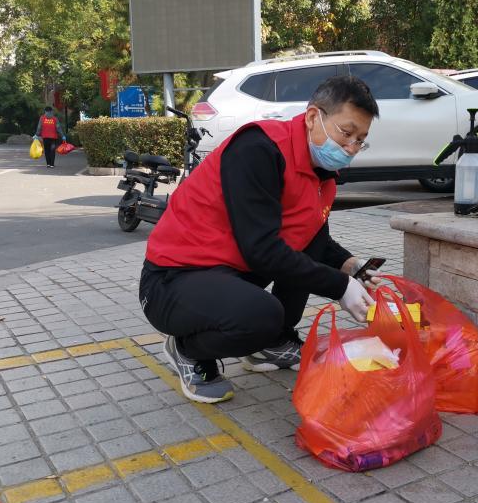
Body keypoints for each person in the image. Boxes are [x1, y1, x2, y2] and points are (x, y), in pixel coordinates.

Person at [139, 76, 382, 403]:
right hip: (173, 280)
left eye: (360, 140)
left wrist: (349, 265)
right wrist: (339, 287)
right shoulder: (259, 149)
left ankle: (271, 343)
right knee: (262, 315)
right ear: (313, 117)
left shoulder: (320, 173)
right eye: (346, 133)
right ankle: (188, 349)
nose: (351, 148)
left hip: (228, 270)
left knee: (304, 250)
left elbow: (312, 236)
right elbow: (262, 251)